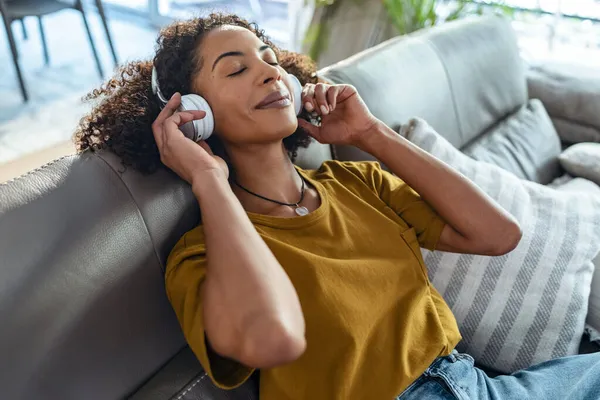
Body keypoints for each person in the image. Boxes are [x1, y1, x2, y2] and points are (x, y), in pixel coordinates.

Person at [74, 13, 600, 400]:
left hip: (475, 383)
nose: (269, 74)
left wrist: (371, 134)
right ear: (194, 116)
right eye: (236, 70)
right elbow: (271, 336)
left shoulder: (357, 182)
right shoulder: (200, 256)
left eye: (272, 60)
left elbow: (498, 234)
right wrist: (209, 179)